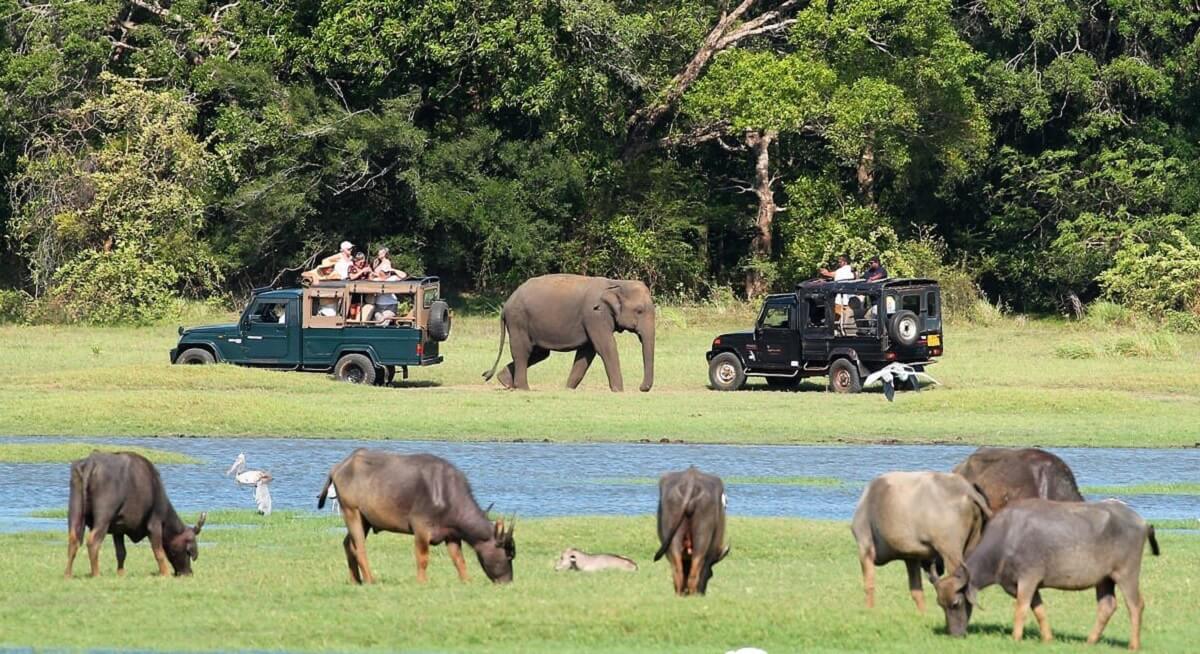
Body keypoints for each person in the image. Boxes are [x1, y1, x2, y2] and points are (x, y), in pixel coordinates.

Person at [818, 254, 855, 318]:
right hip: (851, 300)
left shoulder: (840, 271)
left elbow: (828, 274)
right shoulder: (852, 272)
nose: (839, 263)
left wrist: (823, 272)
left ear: (845, 262)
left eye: (840, 262)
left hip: (840, 301)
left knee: (836, 318)